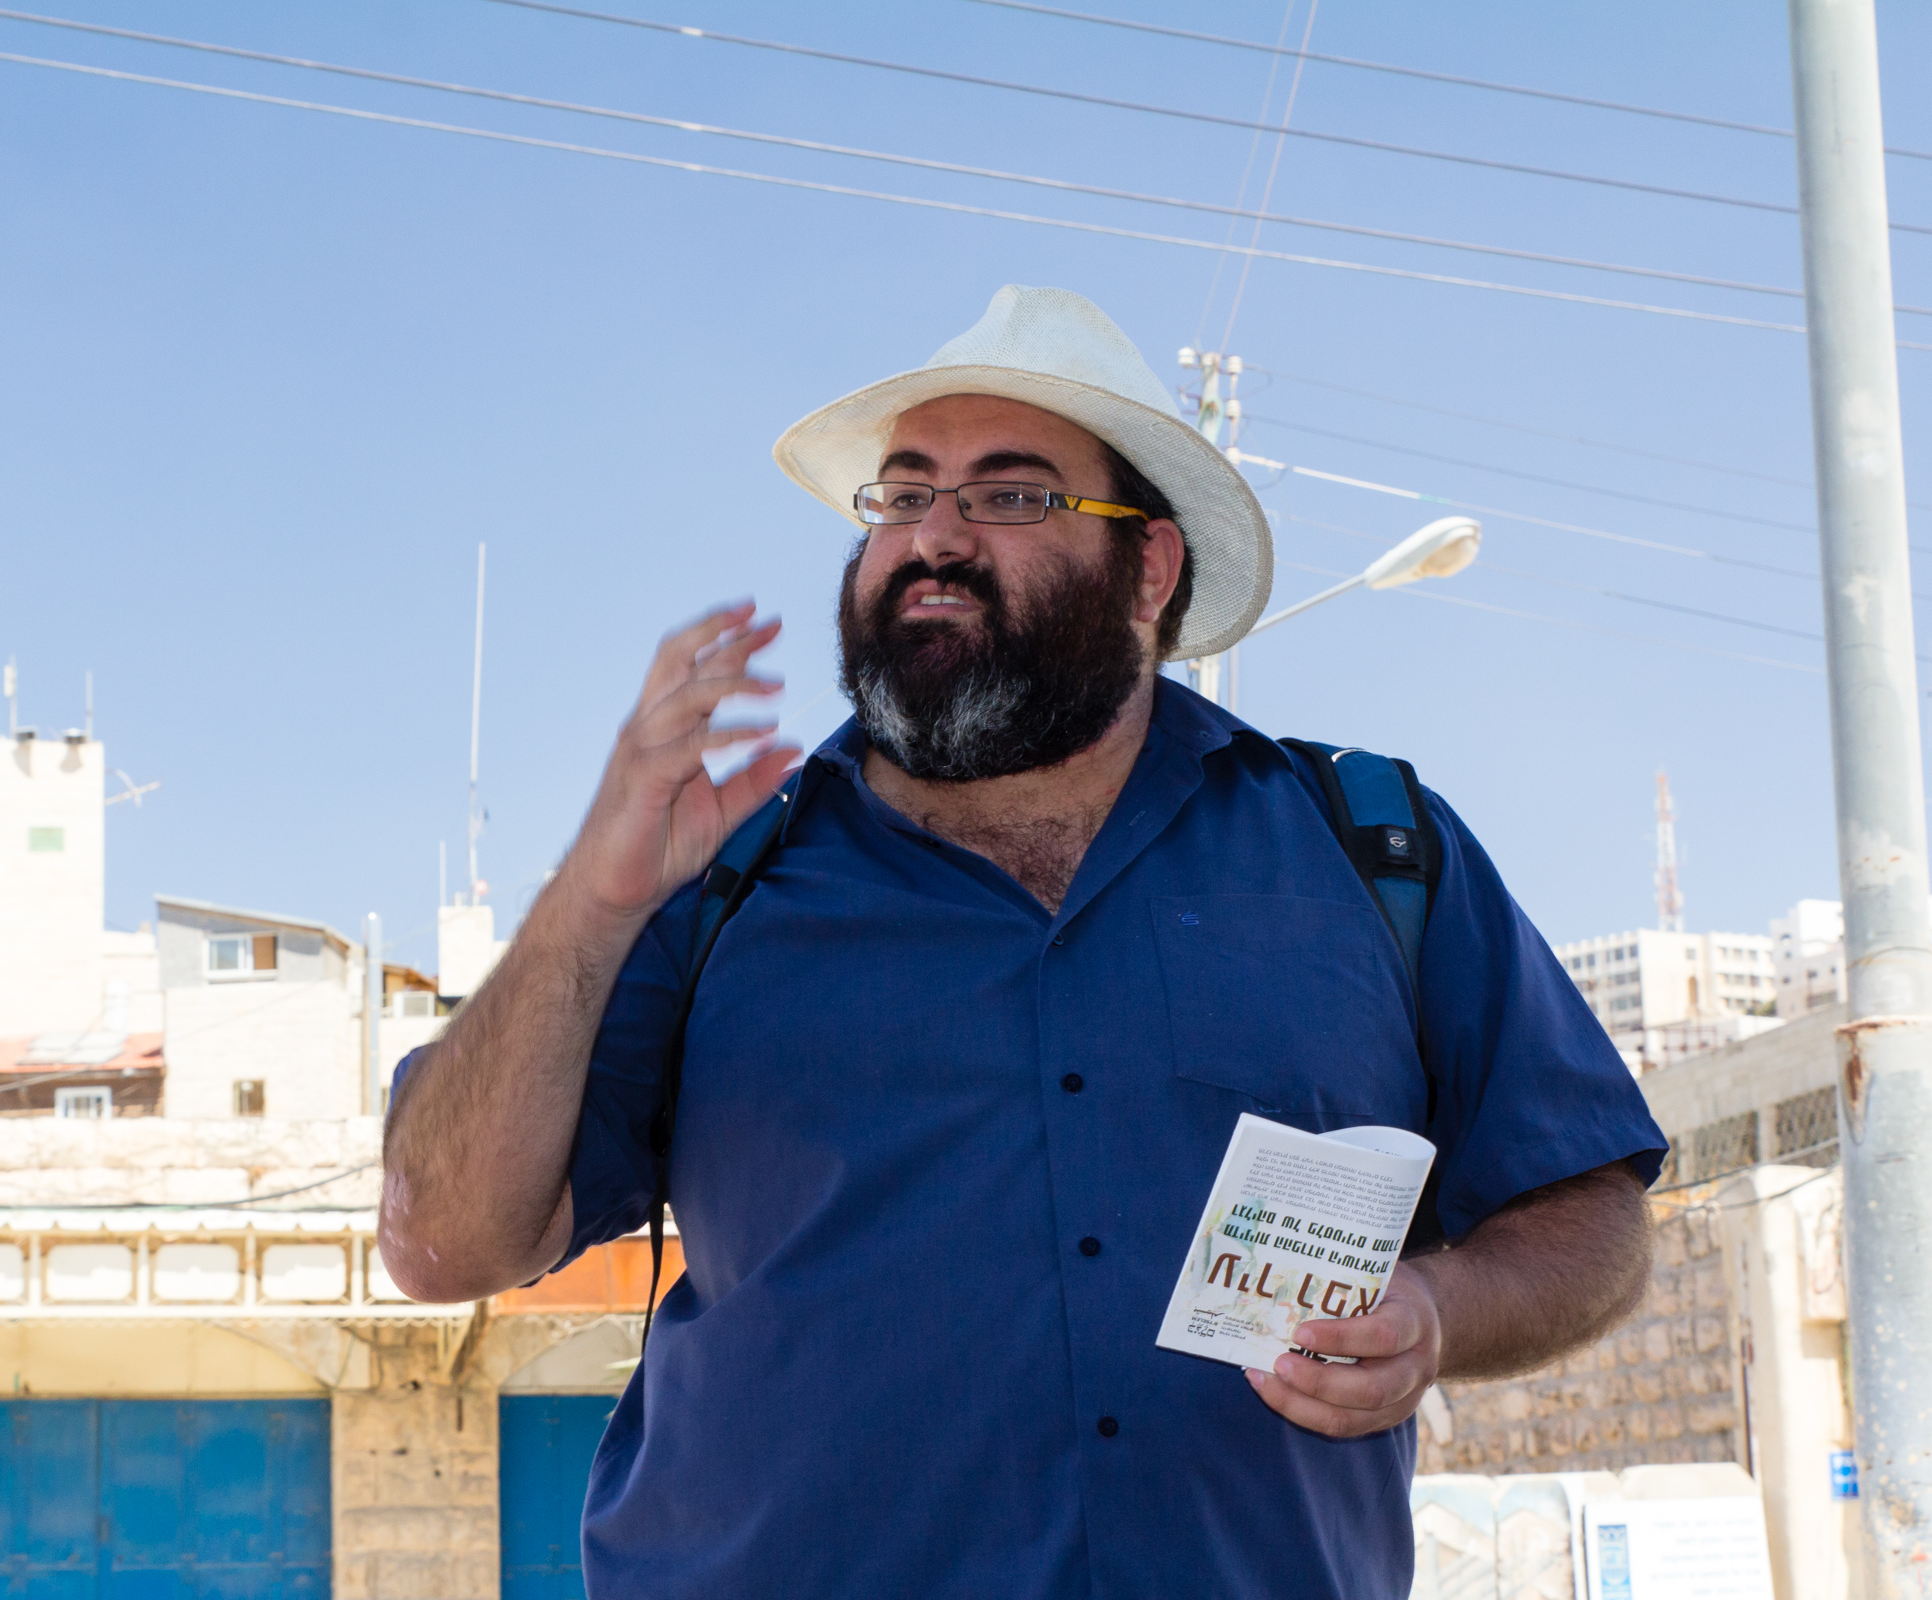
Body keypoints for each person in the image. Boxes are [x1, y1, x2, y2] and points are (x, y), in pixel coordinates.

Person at [379, 285, 1665, 1598]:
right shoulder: (711, 881)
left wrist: (1442, 1313)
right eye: (902, 494)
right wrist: (584, 903)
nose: (934, 536)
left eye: (1012, 495)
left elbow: (1591, 1216)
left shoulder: (1371, 851)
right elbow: (443, 1245)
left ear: (1149, 569)